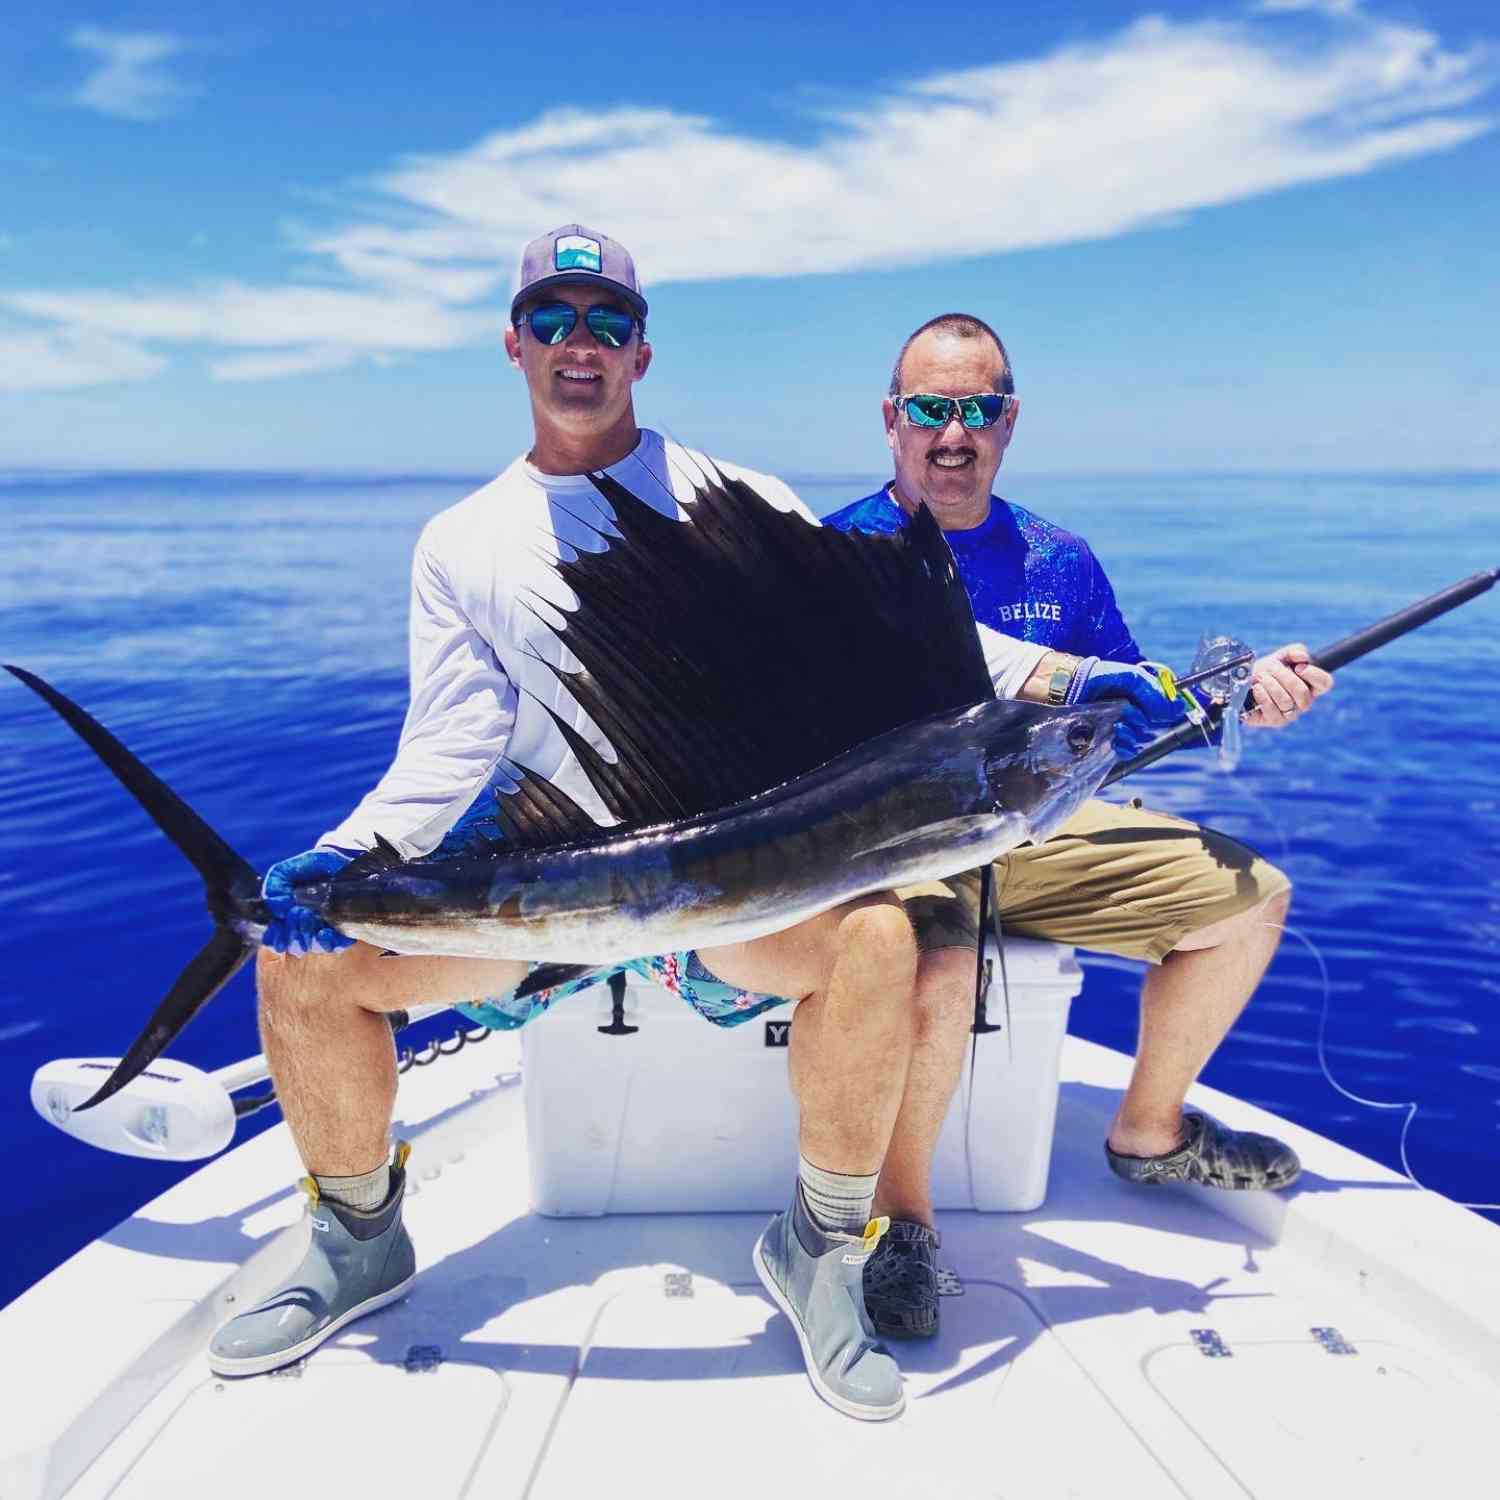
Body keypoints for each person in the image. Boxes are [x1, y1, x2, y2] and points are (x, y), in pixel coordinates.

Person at [207, 234, 1166, 1422]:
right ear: (514, 344)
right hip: (555, 893)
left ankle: (818, 1251)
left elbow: (904, 659)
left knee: (877, 940)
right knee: (302, 973)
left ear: (641, 352)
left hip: (736, 902)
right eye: (553, 319)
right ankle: (357, 1237)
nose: (579, 344)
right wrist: (348, 857)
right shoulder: (461, 542)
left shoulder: (731, 497)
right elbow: (452, 746)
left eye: (606, 322)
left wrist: (1071, 681)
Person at [824, 313, 1333, 1341]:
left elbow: (1136, 719)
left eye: (977, 409)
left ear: (1010, 422)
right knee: (940, 964)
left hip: (1040, 829)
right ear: (892, 420)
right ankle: (903, 1221)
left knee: (1251, 904)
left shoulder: (1063, 560)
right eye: (932, 408)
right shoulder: (842, 554)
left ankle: (1149, 1132)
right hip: (899, 843)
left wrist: (1242, 697)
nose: (953, 432)